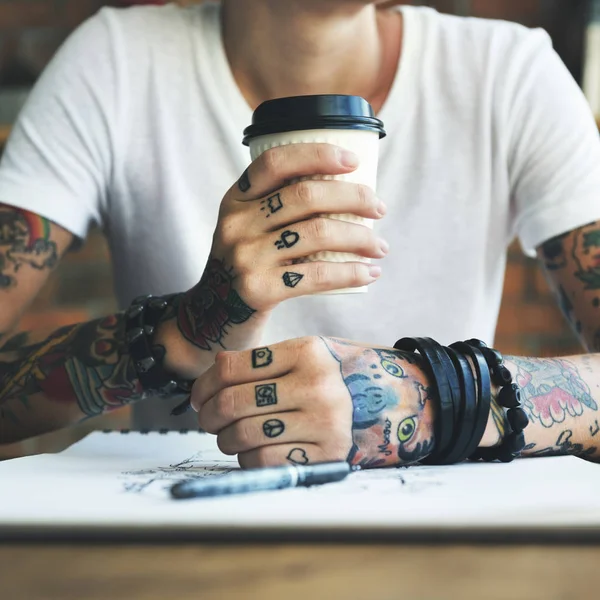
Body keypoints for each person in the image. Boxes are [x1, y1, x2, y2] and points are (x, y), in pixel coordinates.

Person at [0, 0, 599, 467]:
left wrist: (437, 396)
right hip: (195, 547)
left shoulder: (510, 73)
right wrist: (180, 333)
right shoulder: (115, 65)